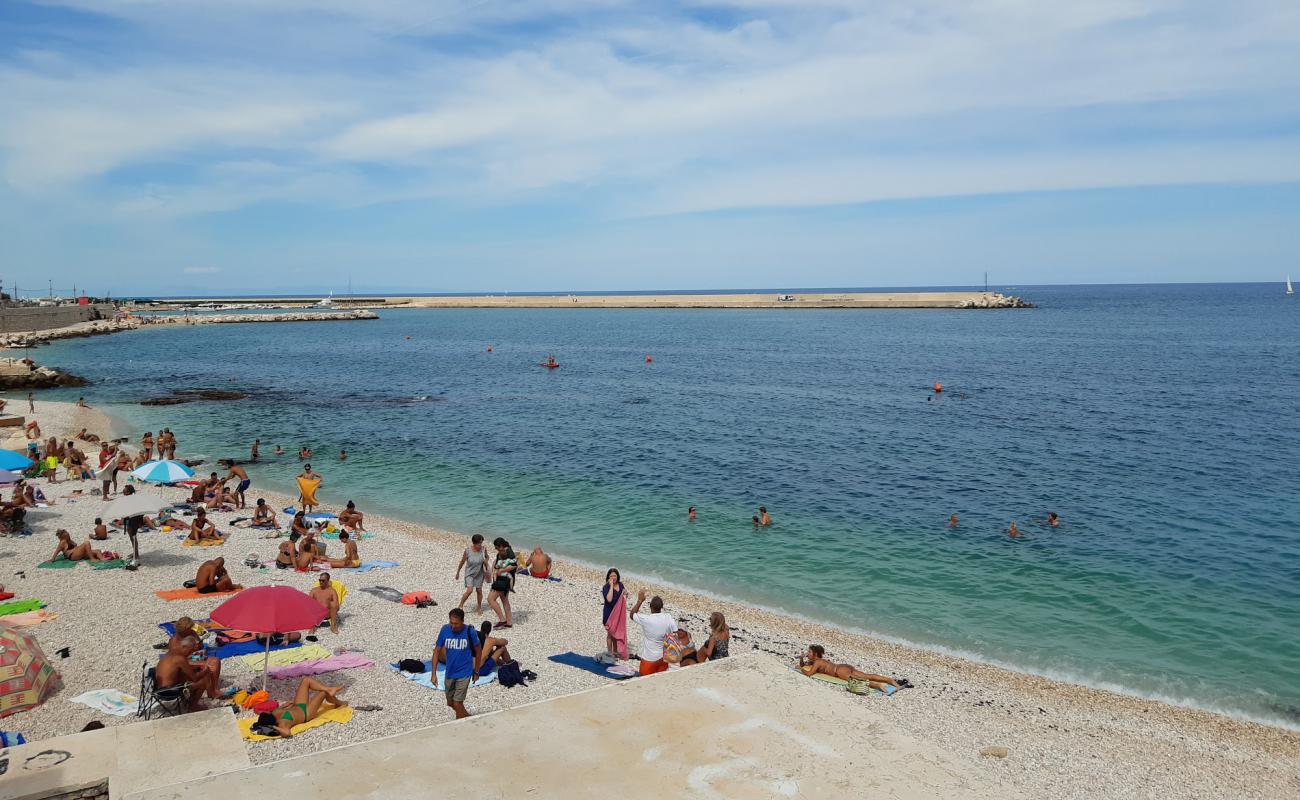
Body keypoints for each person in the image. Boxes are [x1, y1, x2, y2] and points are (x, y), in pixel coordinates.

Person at [252, 677, 346, 737]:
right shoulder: (282, 723)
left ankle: (329, 689)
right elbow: (287, 733)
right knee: (323, 694)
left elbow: (283, 707)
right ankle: (339, 702)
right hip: (307, 713)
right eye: (268, 712)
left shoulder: (274, 713)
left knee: (306, 681)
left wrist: (287, 705)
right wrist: (273, 727)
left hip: (298, 705)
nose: (269, 711)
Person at [434, 608, 481, 719]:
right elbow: (436, 651)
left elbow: (478, 652)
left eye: (456, 623)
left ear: (462, 621)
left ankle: (461, 727)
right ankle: (466, 716)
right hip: (450, 672)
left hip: (464, 672)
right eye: (451, 623)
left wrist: (476, 671)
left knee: (457, 703)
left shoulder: (470, 632)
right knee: (450, 703)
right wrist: (433, 674)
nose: (453, 626)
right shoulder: (445, 630)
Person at [156, 636, 224, 711]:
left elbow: (181, 669)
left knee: (187, 677)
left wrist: (199, 666)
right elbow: (194, 678)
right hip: (170, 691)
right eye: (190, 651)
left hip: (159, 690)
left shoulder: (169, 656)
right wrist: (206, 670)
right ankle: (193, 705)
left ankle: (187, 701)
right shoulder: (180, 659)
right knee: (203, 681)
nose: (190, 654)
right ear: (185, 648)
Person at [798, 645, 905, 693]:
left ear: (815, 654)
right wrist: (801, 660)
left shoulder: (817, 662)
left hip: (839, 671)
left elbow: (808, 673)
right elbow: (805, 665)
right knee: (867, 675)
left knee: (857, 680)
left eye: (809, 652)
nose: (808, 654)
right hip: (844, 667)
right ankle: (890, 680)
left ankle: (877, 685)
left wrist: (800, 669)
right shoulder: (819, 661)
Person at [628, 590, 677, 676]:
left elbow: (632, 615)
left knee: (644, 680)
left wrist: (640, 600)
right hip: (663, 658)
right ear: (661, 607)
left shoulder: (646, 619)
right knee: (659, 680)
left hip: (649, 659)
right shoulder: (668, 617)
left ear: (650, 607)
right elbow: (675, 632)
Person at [487, 538, 518, 628]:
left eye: (497, 547)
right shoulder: (505, 550)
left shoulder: (509, 552)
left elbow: (514, 565)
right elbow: (496, 562)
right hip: (504, 579)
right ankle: (509, 622)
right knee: (504, 600)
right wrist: (494, 570)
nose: (496, 549)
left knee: (490, 599)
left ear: (501, 545)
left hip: (504, 580)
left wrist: (501, 570)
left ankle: (502, 620)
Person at [455, 533, 488, 611]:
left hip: (479, 573)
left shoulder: (483, 549)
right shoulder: (468, 551)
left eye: (481, 543)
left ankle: (479, 607)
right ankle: (461, 605)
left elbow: (487, 557)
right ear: (474, 543)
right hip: (469, 573)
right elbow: (462, 561)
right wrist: (458, 572)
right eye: (479, 543)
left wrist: (486, 561)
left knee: (479, 590)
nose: (480, 545)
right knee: (470, 590)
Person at [48, 529, 114, 562]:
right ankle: (92, 559)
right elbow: (56, 551)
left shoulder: (69, 539)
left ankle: (102, 559)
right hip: (73, 556)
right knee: (86, 543)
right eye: (66, 533)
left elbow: (76, 546)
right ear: (63, 535)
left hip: (77, 553)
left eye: (67, 532)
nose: (68, 533)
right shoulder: (62, 542)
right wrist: (52, 559)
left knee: (98, 551)